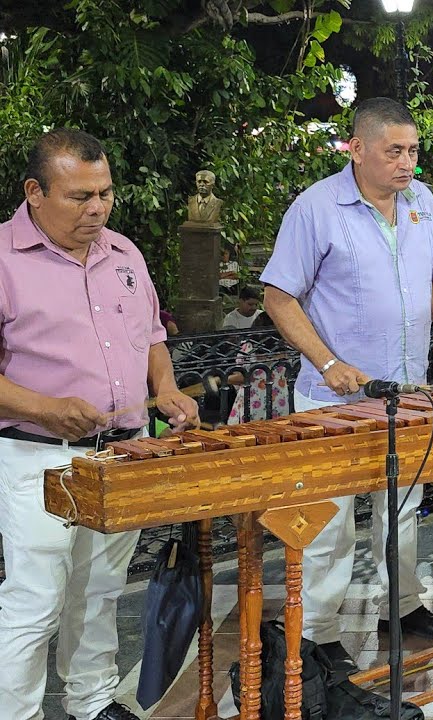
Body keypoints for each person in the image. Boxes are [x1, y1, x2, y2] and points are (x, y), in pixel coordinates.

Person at [261, 98, 433, 675]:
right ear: (356, 149)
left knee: (402, 512)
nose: (407, 163)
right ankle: (317, 633)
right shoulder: (316, 209)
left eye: (412, 151)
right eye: (394, 152)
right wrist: (328, 360)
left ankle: (402, 608)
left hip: (404, 391)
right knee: (329, 525)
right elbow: (278, 297)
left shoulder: (422, 203)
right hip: (333, 399)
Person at [0, 128, 200, 720]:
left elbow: (153, 338)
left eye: (106, 194)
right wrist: (44, 407)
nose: (97, 208)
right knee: (36, 600)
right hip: (39, 455)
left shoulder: (124, 255)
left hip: (121, 453)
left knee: (100, 593)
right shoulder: (3, 260)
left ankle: (90, 703)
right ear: (35, 192)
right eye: (80, 196)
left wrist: (163, 387)